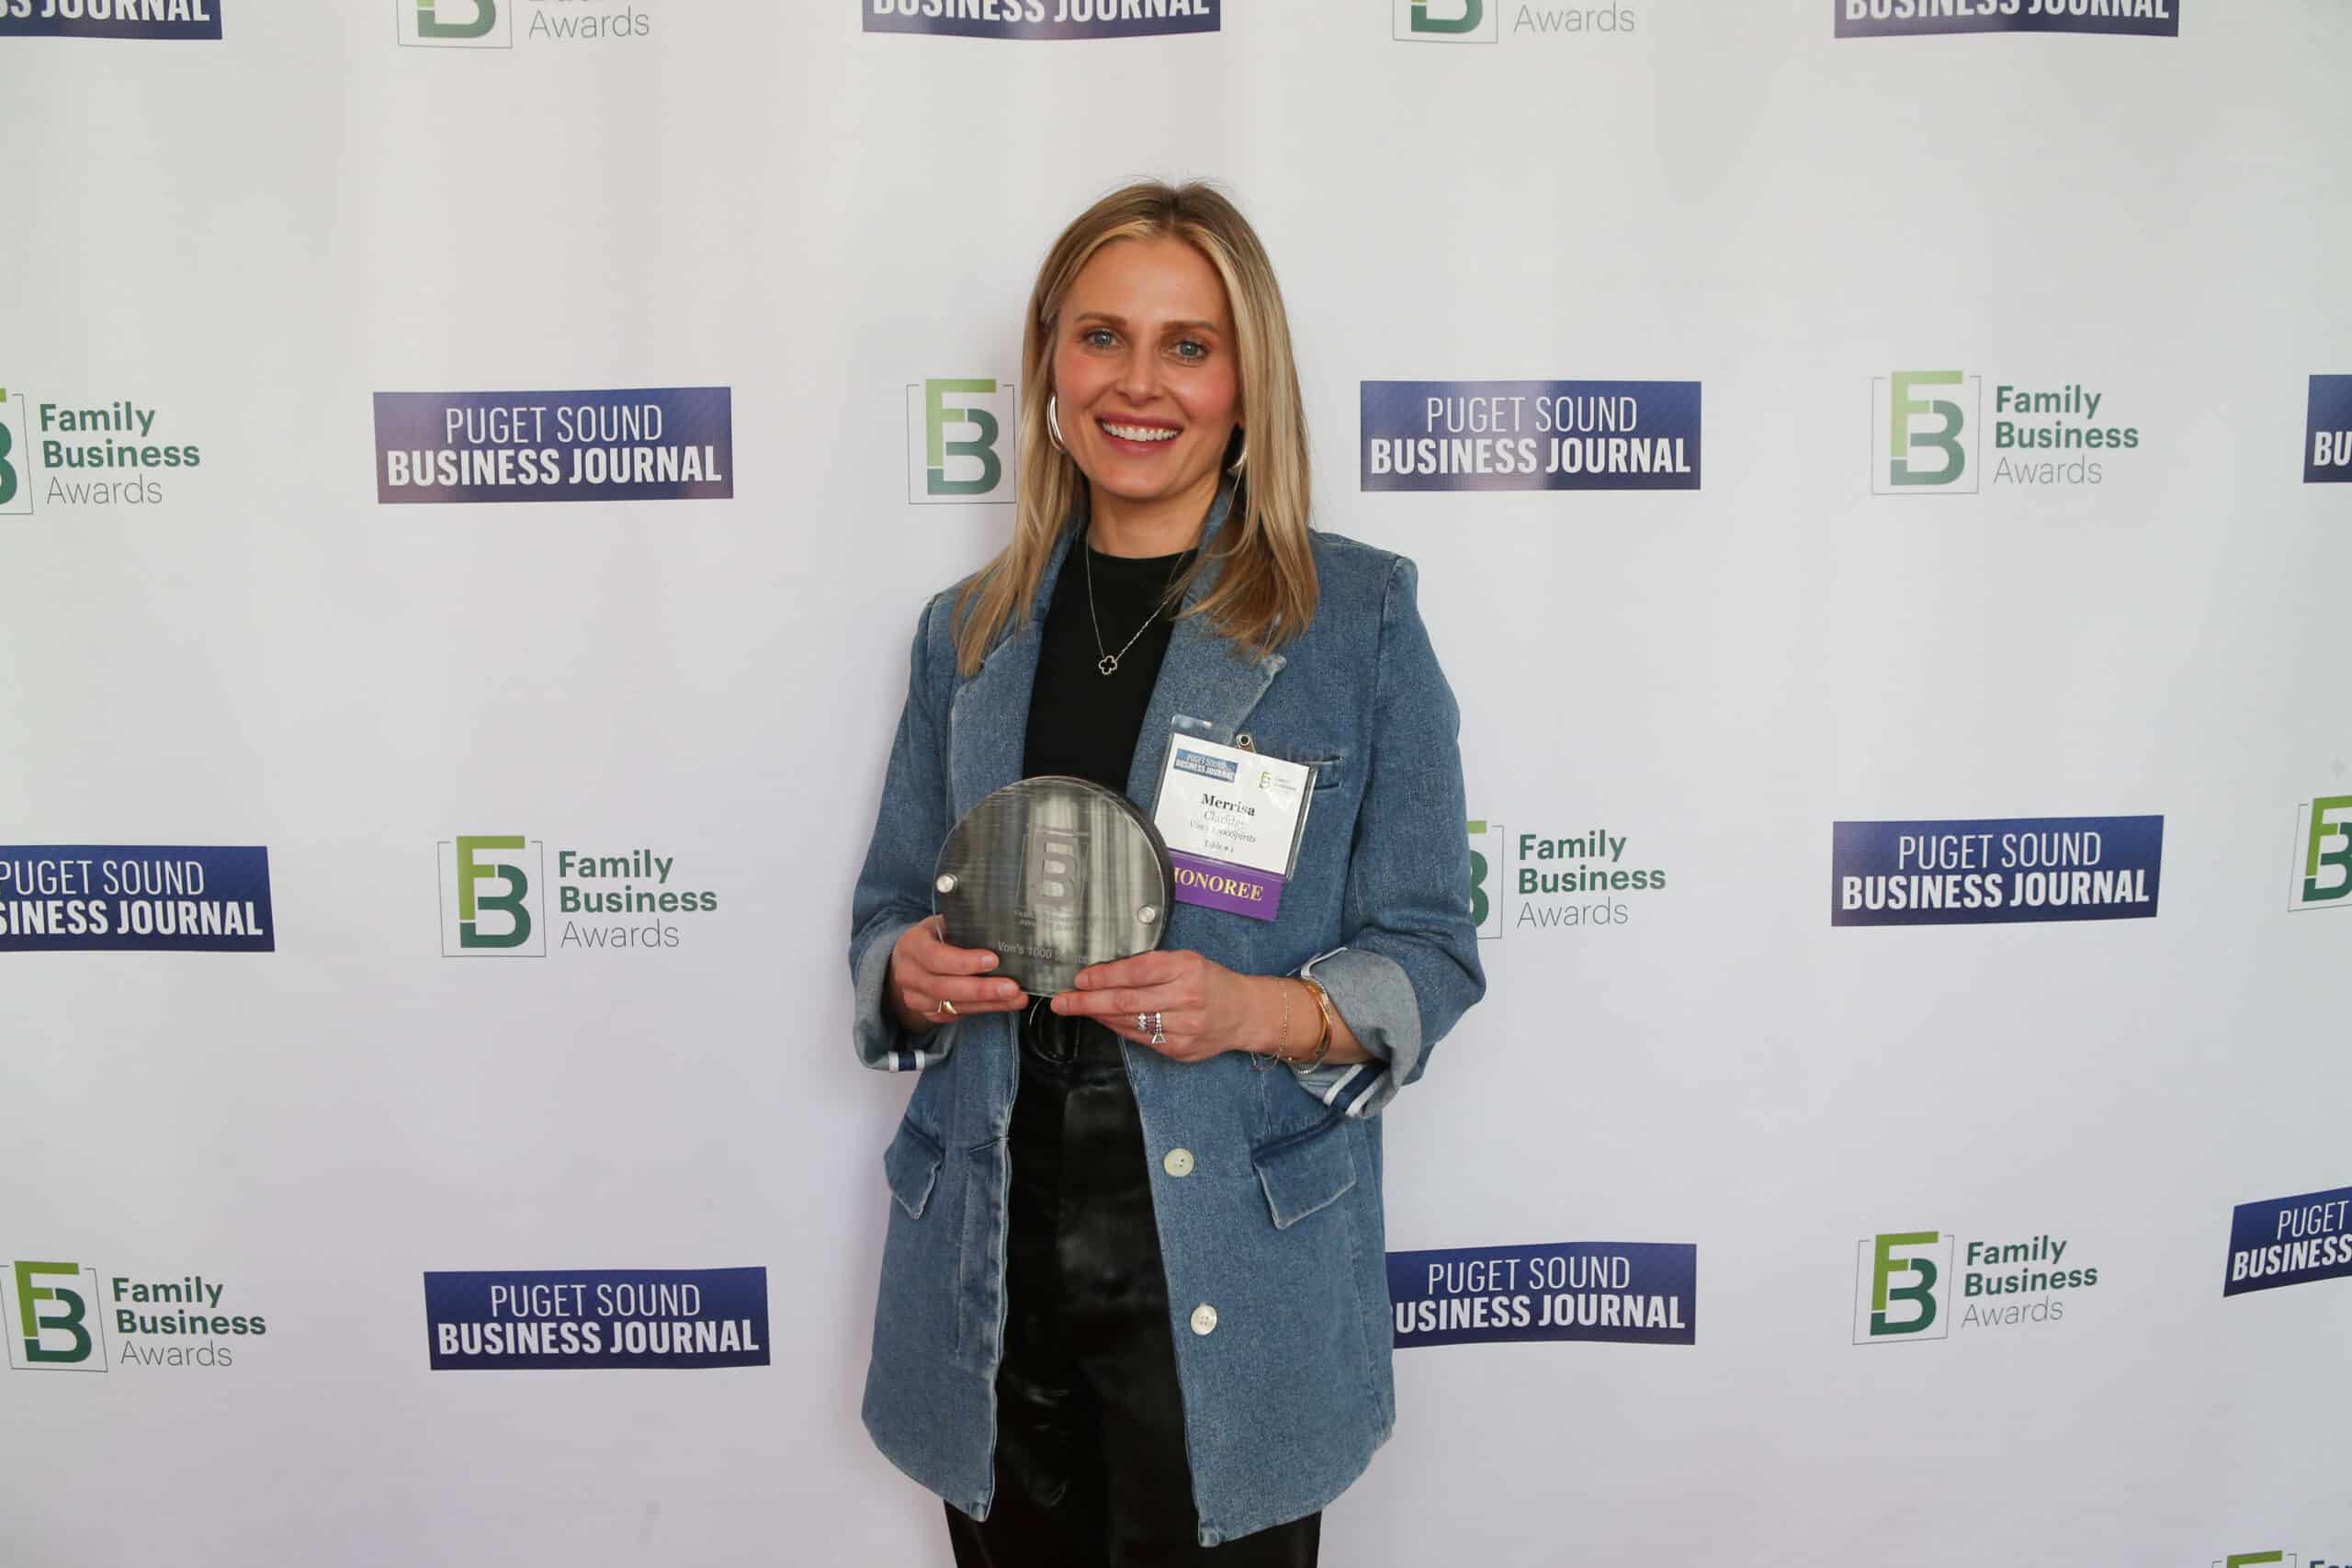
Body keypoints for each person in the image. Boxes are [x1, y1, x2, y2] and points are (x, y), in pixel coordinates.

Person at [846, 179, 1484, 1565]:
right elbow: (888, 910)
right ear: (1050, 368)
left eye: (1188, 345)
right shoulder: (966, 633)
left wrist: (1257, 1010)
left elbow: (1433, 946)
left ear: (1249, 384)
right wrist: (903, 972)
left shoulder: (1353, 617)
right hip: (992, 1265)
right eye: (1101, 338)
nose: (1139, 385)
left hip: (1224, 1257)